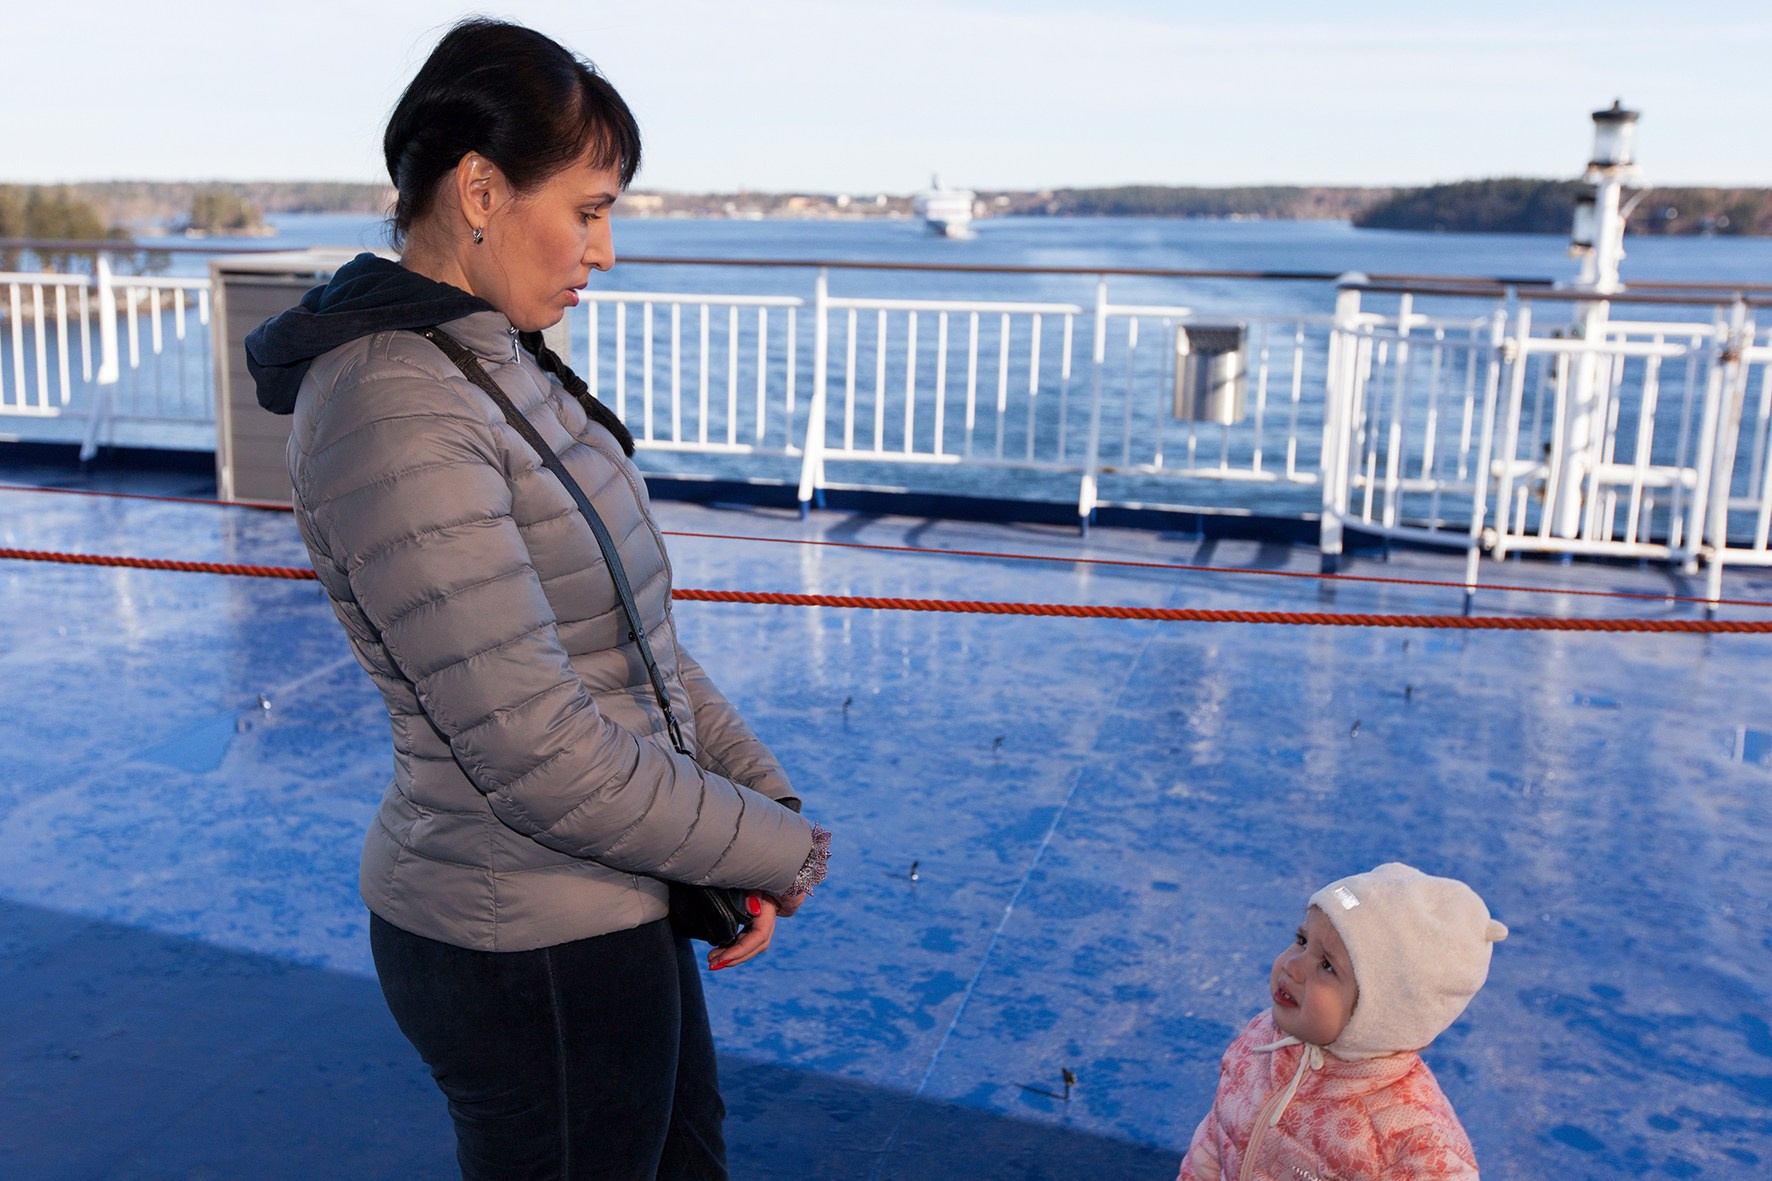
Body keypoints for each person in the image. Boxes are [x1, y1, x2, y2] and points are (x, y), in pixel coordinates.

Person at [244, 18, 828, 1181]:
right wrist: (773, 845)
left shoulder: (490, 359)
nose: (603, 250)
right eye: (590, 207)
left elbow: (631, 642)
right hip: (524, 936)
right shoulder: (393, 401)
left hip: (612, 896)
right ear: (478, 188)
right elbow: (534, 743)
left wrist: (758, 803)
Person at [1178, 863, 1507, 1180]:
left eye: (1327, 966)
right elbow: (1217, 1141)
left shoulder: (1411, 1139)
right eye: (1303, 941)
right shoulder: (1263, 1041)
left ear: (1380, 1013)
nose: (1293, 966)